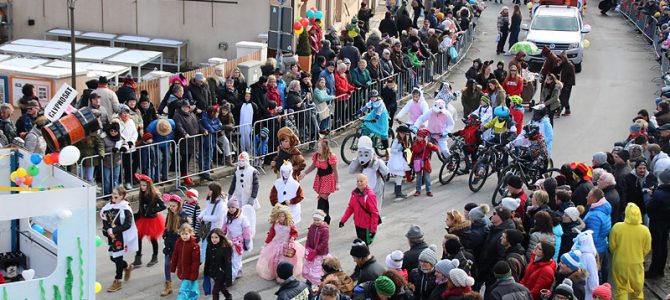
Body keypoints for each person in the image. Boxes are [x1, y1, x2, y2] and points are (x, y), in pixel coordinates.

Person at [609, 203, 651, 300]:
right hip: (637, 263)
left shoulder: (617, 227)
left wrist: (617, 254)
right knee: (637, 289)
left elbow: (612, 246)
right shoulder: (645, 230)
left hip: (620, 262)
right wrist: (639, 255)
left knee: (621, 288)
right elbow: (647, 248)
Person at [99, 186, 137, 292]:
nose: (113, 195)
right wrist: (108, 230)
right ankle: (127, 266)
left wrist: (114, 231)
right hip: (111, 237)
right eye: (113, 193)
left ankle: (118, 281)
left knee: (118, 258)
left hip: (121, 237)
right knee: (113, 257)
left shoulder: (125, 208)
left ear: (122, 196)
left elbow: (128, 224)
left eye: (116, 194)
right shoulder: (108, 206)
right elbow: (105, 221)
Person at [257, 204, 305, 281]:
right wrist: (267, 242)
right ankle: (275, 273)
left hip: (286, 245)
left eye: (283, 216)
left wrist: (292, 237)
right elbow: (271, 234)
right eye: (279, 216)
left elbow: (294, 233)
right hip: (276, 244)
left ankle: (283, 276)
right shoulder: (275, 225)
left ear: (286, 216)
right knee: (275, 260)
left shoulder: (290, 225)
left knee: (285, 260)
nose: (281, 218)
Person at [478, 207, 516, 291]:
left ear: (500, 217)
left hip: (490, 274)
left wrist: (492, 273)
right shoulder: (495, 228)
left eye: (495, 214)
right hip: (485, 268)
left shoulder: (504, 235)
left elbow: (501, 256)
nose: (492, 215)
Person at [302, 140, 339, 223]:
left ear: (324, 148)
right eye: (317, 147)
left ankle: (318, 220)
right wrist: (304, 173)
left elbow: (335, 171)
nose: (317, 148)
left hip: (328, 179)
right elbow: (313, 166)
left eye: (319, 147)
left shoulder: (330, 157)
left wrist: (337, 183)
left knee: (321, 200)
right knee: (324, 199)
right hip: (320, 179)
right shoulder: (316, 156)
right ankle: (326, 218)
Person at [133, 173, 166, 268]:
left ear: (148, 185)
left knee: (153, 238)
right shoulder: (141, 193)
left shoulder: (154, 195)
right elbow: (141, 206)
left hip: (152, 220)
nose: (142, 187)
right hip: (143, 218)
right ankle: (138, 257)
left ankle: (155, 256)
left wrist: (153, 210)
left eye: (144, 185)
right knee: (138, 237)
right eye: (141, 185)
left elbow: (163, 206)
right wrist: (138, 215)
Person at [159, 194, 189, 297]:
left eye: (173, 206)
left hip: (179, 244)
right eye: (170, 205)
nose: (171, 208)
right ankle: (168, 285)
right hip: (169, 244)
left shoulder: (183, 216)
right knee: (167, 264)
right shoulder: (170, 213)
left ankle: (185, 287)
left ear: (179, 205)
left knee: (181, 266)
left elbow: (185, 232)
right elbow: (167, 226)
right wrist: (165, 235)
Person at [348, 136, 390, 207]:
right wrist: (356, 160)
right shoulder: (359, 162)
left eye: (366, 154)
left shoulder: (377, 162)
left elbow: (386, 172)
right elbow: (351, 170)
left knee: (375, 209)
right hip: (364, 189)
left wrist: (378, 165)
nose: (363, 157)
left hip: (376, 189)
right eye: (361, 154)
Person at [340, 173, 380, 245]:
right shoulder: (354, 193)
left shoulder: (370, 195)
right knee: (361, 245)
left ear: (366, 182)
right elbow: (350, 207)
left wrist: (373, 230)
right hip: (358, 224)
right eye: (358, 181)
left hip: (366, 226)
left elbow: (374, 213)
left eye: (361, 181)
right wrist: (343, 220)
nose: (359, 183)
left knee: (365, 245)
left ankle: (367, 256)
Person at [174, 100, 207, 186]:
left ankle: (185, 174)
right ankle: (184, 176)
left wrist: (203, 130)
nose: (186, 109)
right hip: (183, 141)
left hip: (192, 140)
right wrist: (184, 134)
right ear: (181, 107)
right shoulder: (177, 116)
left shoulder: (192, 115)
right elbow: (179, 126)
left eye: (187, 107)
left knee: (188, 158)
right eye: (184, 107)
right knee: (184, 159)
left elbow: (198, 124)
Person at [583, 187, 612, 284]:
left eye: (589, 196)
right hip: (602, 244)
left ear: (594, 199)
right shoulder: (605, 208)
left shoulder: (594, 216)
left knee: (594, 273)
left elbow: (592, 238)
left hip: (595, 249)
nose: (586, 197)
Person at [646, 169, 670, 279]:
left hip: (657, 222)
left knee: (657, 246)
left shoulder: (659, 194)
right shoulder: (661, 192)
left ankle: (654, 270)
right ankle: (661, 269)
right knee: (664, 245)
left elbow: (650, 207)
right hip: (666, 221)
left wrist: (651, 196)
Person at [221, 198, 252, 280]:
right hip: (229, 240)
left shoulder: (242, 218)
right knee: (231, 257)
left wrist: (247, 242)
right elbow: (224, 228)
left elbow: (247, 231)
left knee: (235, 260)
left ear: (237, 208)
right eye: (229, 207)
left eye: (233, 207)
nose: (231, 209)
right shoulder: (226, 217)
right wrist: (221, 236)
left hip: (239, 242)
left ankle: (231, 278)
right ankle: (238, 270)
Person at [170, 224, 201, 300]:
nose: (184, 236)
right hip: (182, 271)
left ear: (190, 233)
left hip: (190, 272)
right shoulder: (178, 243)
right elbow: (175, 256)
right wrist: (172, 268)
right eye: (182, 234)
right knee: (191, 291)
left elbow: (195, 262)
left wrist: (193, 275)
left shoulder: (194, 246)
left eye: (186, 234)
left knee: (183, 290)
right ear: (179, 234)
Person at [203, 228, 233, 300]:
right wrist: (206, 272)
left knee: (215, 291)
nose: (214, 239)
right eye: (212, 237)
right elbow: (207, 260)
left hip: (222, 274)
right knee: (222, 287)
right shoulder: (209, 246)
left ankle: (228, 296)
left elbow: (228, 265)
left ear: (220, 237)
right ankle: (228, 296)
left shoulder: (225, 248)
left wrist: (228, 279)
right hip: (214, 272)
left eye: (216, 237)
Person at [302, 210, 330, 286]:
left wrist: (316, 251)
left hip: (320, 253)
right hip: (312, 251)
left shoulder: (325, 229)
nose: (316, 222)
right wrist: (307, 246)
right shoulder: (312, 227)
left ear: (322, 219)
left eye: (318, 220)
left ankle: (319, 283)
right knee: (309, 266)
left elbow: (324, 242)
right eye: (315, 220)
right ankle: (309, 281)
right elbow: (308, 237)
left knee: (317, 268)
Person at [411, 128, 441, 197]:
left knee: (427, 178)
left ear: (424, 137)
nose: (419, 138)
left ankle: (429, 190)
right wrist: (411, 162)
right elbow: (413, 154)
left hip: (426, 162)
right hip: (417, 163)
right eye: (418, 136)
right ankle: (418, 190)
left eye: (420, 136)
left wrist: (432, 145)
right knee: (418, 178)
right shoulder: (415, 144)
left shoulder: (427, 144)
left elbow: (436, 149)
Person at [101, 122, 127, 196]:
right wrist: (110, 151)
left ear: (118, 131)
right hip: (106, 162)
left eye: (115, 131)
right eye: (111, 131)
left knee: (115, 178)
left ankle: (114, 193)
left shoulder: (120, 137)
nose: (113, 133)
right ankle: (106, 194)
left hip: (117, 161)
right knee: (106, 179)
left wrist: (124, 148)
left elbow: (125, 144)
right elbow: (101, 148)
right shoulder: (104, 138)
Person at [558, 51, 576, 116]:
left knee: (562, 98)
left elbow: (571, 77)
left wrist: (566, 85)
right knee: (566, 97)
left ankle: (559, 111)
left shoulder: (569, 65)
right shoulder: (564, 64)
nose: (559, 61)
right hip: (565, 83)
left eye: (560, 59)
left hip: (567, 84)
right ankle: (567, 110)